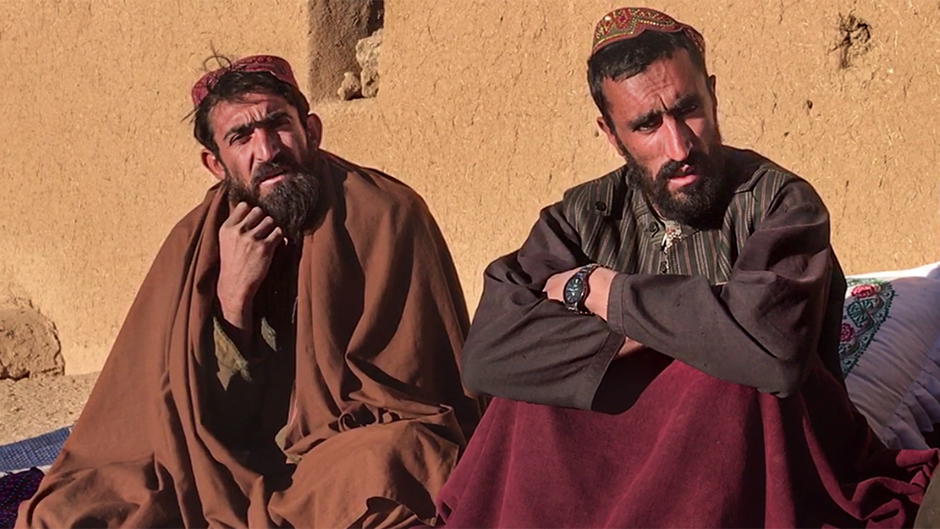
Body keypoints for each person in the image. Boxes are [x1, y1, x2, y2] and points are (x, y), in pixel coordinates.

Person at [435, 7, 938, 528]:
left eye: (688, 109)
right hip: (611, 473)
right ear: (610, 133)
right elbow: (489, 356)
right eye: (647, 125)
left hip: (763, 471)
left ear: (713, 95)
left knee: (726, 382)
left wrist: (603, 292)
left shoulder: (780, 204)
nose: (678, 145)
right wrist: (691, 327)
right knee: (530, 400)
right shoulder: (580, 219)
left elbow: (771, 353)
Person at [17, 55, 481, 528]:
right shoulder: (194, 244)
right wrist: (233, 297)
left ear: (312, 131)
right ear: (214, 163)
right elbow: (176, 408)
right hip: (223, 451)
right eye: (241, 137)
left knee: (394, 465)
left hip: (340, 447)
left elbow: (415, 398)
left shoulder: (387, 214)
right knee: (70, 511)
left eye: (278, 124)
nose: (266, 149)